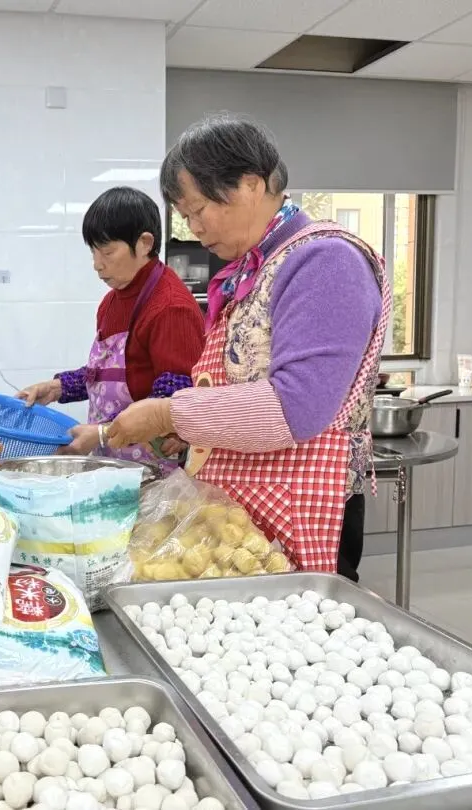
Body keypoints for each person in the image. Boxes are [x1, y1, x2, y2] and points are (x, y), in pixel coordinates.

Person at [107, 113, 389, 578]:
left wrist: (168, 413)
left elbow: (293, 408)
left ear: (251, 185)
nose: (193, 227)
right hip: (249, 513)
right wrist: (194, 428)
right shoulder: (255, 269)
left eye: (198, 210)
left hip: (299, 508)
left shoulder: (325, 261)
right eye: (185, 215)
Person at [17, 186, 204, 469]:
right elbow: (105, 375)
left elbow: (173, 403)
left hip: (156, 472)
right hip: (112, 461)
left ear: (144, 243)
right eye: (93, 251)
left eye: (107, 251)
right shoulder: (110, 303)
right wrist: (57, 388)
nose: (97, 265)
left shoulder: (170, 307)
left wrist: (102, 434)